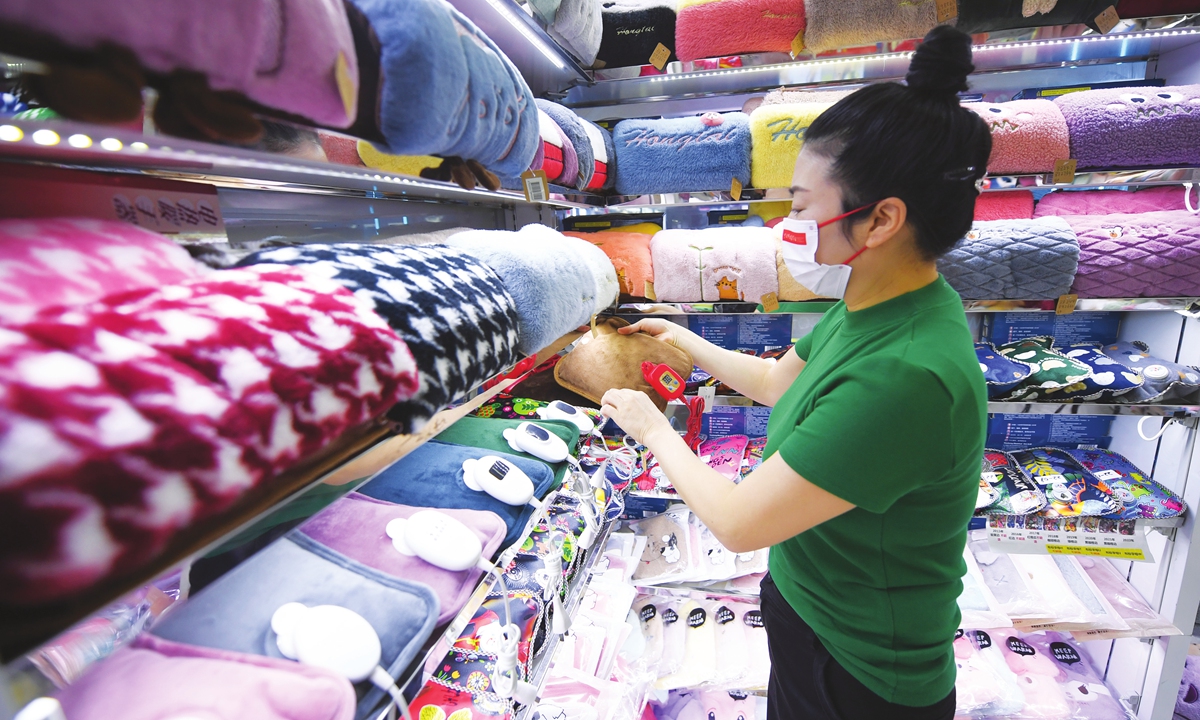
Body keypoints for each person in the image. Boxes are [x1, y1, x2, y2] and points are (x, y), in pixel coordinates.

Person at [598, 25, 991, 720]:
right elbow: (783, 381)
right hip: (814, 611)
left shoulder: (906, 374)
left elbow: (741, 523)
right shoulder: (881, 300)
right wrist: (688, 343)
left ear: (881, 220)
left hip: (862, 671)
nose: (787, 222)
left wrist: (651, 427)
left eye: (803, 205)